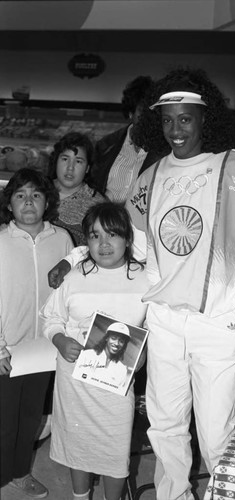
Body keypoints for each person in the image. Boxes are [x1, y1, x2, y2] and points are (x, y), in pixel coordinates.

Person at [48, 67, 235, 500]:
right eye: (167, 119)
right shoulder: (149, 178)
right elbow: (121, 241)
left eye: (185, 118)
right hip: (165, 321)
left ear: (205, 119)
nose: (176, 129)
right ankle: (175, 495)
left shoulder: (234, 166)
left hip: (217, 323)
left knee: (214, 433)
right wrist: (73, 257)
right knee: (165, 424)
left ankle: (221, 493)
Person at [40, 201, 149, 500]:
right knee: (78, 444)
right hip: (73, 378)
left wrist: (144, 354)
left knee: (115, 447)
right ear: (86, 240)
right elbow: (51, 318)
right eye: (95, 235)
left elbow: (155, 328)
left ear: (127, 238)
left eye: (112, 235)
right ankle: (80, 496)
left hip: (116, 384)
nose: (103, 244)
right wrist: (60, 340)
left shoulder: (145, 280)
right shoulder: (73, 277)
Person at [0, 168, 74, 498]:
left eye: (36, 195)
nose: (28, 202)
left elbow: (71, 289)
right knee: (3, 421)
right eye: (20, 195)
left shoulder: (62, 239)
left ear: (47, 202)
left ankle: (18, 474)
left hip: (44, 348)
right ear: (9, 205)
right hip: (7, 348)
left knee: (30, 418)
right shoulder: (0, 241)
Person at [92, 75, 160, 202]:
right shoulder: (106, 145)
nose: (147, 118)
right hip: (102, 218)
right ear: (131, 112)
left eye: (152, 111)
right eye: (141, 111)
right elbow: (92, 187)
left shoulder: (164, 151)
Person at [48, 131, 105, 245]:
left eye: (78, 161)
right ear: (56, 161)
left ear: (87, 168)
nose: (70, 167)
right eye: (65, 159)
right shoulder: (37, 191)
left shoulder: (97, 205)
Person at [77, 322, 131, 388]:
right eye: (113, 338)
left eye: (121, 341)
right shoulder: (87, 355)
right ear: (107, 338)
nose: (117, 343)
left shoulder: (122, 370)